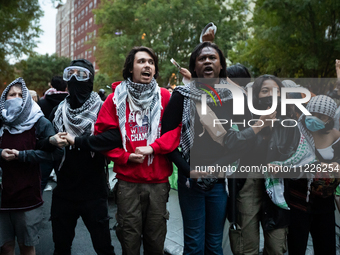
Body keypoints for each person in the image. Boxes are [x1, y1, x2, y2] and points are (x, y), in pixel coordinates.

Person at [158, 42, 261, 254]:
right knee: (194, 243)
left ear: (221, 66)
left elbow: (245, 140)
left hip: (219, 181)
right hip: (190, 182)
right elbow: (166, 141)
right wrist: (188, 170)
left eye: (212, 58)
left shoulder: (234, 98)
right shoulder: (182, 96)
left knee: (214, 243)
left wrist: (218, 166)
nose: (207, 61)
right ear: (194, 68)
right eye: (201, 58)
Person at [94, 46, 180, 255]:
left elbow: (178, 130)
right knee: (129, 242)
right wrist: (123, 157)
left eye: (151, 62)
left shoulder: (165, 96)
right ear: (130, 68)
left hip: (158, 184)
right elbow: (101, 136)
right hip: (128, 184)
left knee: (155, 242)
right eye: (141, 61)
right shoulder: (115, 99)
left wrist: (154, 147)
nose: (147, 65)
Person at [49, 59, 116, 255]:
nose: (75, 80)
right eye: (71, 74)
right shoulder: (57, 112)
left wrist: (77, 141)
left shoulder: (103, 108)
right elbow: (40, 140)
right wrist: (51, 140)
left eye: (82, 75)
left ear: (90, 80)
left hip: (94, 193)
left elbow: (112, 138)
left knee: (104, 248)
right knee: (61, 248)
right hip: (63, 192)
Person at [229, 74, 300, 255]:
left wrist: (284, 166)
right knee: (246, 246)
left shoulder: (289, 122)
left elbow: (298, 156)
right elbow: (232, 144)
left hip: (277, 186)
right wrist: (259, 125)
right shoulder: (244, 117)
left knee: (276, 247)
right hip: (248, 183)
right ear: (255, 95)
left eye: (276, 91)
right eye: (265, 90)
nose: (270, 95)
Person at [0, 78, 63, 255]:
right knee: (5, 246)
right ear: (5, 98)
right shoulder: (1, 121)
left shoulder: (39, 122)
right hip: (2, 196)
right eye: (12, 95)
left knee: (26, 245)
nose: (17, 98)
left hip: (27, 195)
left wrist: (22, 155)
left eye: (21, 95)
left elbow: (56, 153)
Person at [287, 95, 340, 255]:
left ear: (329, 118)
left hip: (324, 202)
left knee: (326, 247)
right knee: (297, 247)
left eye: (322, 116)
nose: (315, 118)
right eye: (313, 114)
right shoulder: (295, 132)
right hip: (297, 201)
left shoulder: (336, 136)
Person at [38, 76, 69, 192]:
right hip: (66, 145)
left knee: (40, 182)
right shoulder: (70, 102)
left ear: (51, 86)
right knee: (66, 182)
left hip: (47, 145)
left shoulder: (42, 102)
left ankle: (35, 207)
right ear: (66, 87)